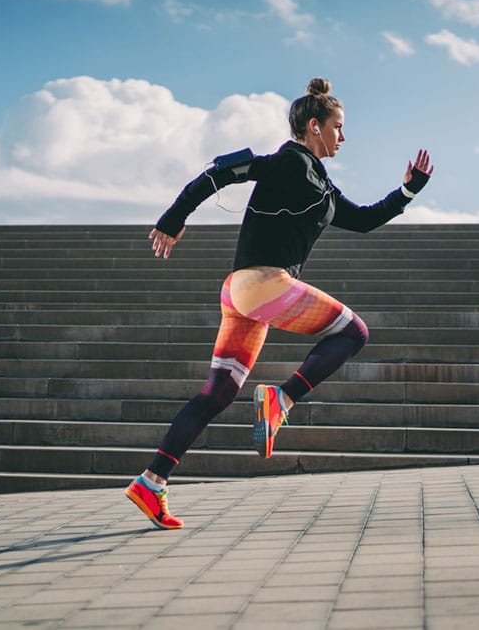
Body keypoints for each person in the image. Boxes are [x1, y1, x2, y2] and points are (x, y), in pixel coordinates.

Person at [124, 77, 434, 529]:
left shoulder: (322, 184)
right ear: (314, 126)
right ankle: (281, 400)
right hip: (263, 283)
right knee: (353, 332)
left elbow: (365, 220)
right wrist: (173, 218)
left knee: (219, 392)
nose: (343, 137)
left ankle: (152, 481)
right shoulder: (286, 163)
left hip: (242, 295)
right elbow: (216, 174)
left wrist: (408, 191)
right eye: (339, 127)